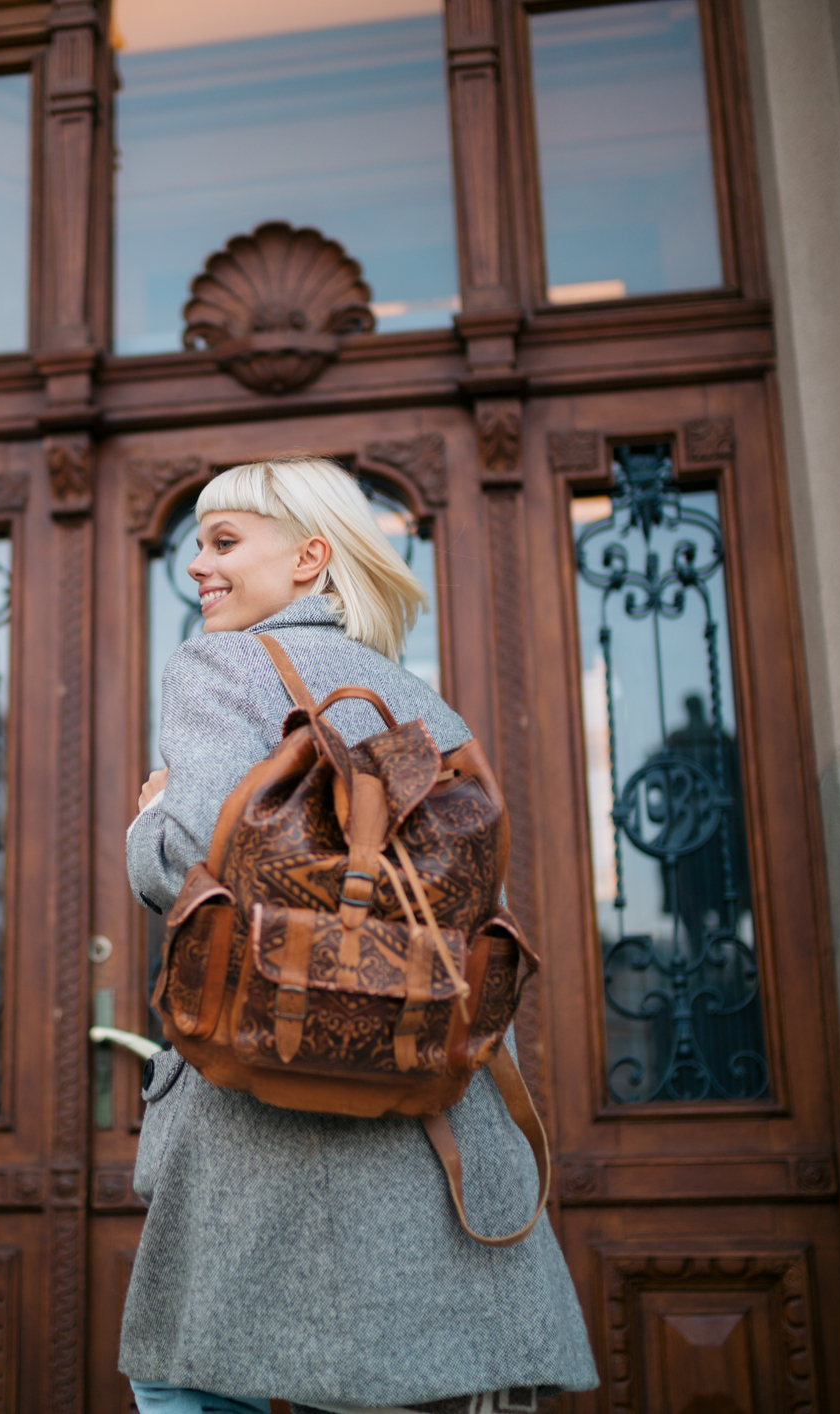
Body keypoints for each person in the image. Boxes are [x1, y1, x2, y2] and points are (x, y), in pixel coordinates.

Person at [122, 458, 599, 1414]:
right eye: (195, 547)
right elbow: (468, 905)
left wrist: (153, 814)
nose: (196, 569)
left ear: (308, 558)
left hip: (269, 1100)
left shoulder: (220, 663)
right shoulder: (418, 703)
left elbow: (196, 870)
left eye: (223, 543)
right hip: (426, 1113)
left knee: (185, 1379)